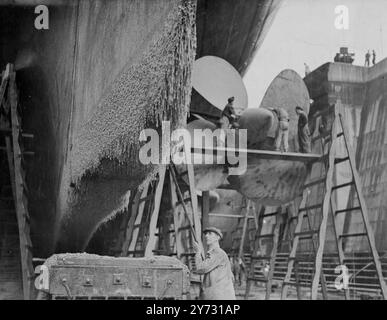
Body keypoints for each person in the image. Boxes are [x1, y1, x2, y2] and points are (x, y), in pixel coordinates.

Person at [193, 227, 236, 300]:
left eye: (210, 234)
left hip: (219, 296)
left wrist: (198, 253)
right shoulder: (216, 253)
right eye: (206, 234)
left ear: (217, 237)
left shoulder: (217, 253)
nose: (206, 236)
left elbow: (200, 269)